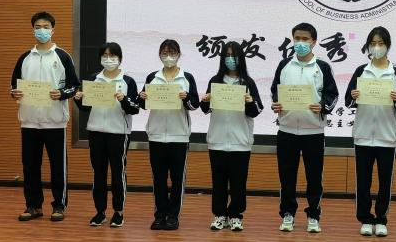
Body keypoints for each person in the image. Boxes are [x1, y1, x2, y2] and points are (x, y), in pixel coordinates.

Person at [10, 11, 79, 222]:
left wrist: (62, 93)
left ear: (52, 30)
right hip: (29, 121)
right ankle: (33, 205)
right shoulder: (25, 57)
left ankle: (59, 206)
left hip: (55, 121)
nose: (42, 30)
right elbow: (14, 85)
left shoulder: (63, 56)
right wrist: (14, 93)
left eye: (46, 27)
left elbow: (74, 86)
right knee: (30, 166)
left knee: (58, 167)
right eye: (38, 27)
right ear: (33, 30)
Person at [271, 22, 338, 233]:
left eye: (305, 39)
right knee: (286, 176)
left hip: (314, 132)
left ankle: (313, 215)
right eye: (297, 39)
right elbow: (275, 90)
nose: (300, 43)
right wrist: (276, 103)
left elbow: (332, 94)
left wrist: (323, 106)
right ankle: (288, 214)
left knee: (314, 177)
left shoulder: (322, 67)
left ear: (313, 42)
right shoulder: (284, 65)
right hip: (287, 130)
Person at [345, 27, 396, 237]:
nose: (377, 47)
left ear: (388, 46)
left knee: (385, 181)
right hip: (363, 135)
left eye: (381, 43)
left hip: (387, 136)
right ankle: (365, 218)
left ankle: (381, 219)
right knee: (363, 181)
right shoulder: (361, 71)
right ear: (368, 46)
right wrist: (354, 95)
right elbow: (348, 101)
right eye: (373, 43)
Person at [74, 42, 139, 228]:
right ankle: (100, 211)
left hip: (119, 133)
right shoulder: (93, 79)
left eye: (112, 56)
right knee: (98, 173)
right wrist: (78, 99)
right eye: (105, 56)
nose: (108, 59)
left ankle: (118, 212)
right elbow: (86, 108)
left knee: (118, 173)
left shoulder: (128, 81)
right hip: (96, 132)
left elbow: (135, 109)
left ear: (120, 59)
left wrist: (124, 99)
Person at [200, 42, 264, 231]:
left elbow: (257, 110)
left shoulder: (248, 82)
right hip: (217, 139)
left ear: (241, 58)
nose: (230, 59)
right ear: (222, 58)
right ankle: (220, 215)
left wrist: (250, 101)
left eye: (234, 56)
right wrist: (205, 100)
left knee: (238, 182)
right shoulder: (215, 81)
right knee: (218, 181)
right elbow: (205, 109)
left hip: (240, 141)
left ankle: (235, 215)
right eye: (227, 55)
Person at [138, 39, 199, 231]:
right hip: (156, 135)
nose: (168, 56)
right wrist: (142, 97)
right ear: (159, 55)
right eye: (164, 53)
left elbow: (195, 105)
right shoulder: (152, 77)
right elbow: (143, 105)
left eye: (172, 53)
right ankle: (160, 214)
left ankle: (173, 216)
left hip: (179, 135)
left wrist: (186, 98)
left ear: (179, 54)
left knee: (177, 178)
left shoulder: (186, 77)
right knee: (159, 178)